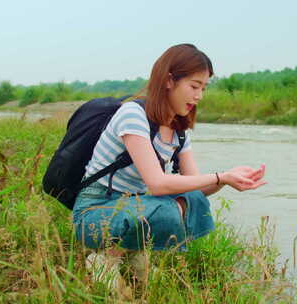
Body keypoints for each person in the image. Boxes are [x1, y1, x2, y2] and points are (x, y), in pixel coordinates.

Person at [72, 43, 267, 292]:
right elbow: (157, 184)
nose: (199, 96)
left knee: (194, 200)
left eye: (203, 88)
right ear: (168, 80)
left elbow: (196, 188)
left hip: (134, 207)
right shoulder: (133, 115)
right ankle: (105, 257)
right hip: (95, 211)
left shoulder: (179, 131)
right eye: (194, 86)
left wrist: (227, 179)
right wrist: (221, 175)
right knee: (166, 206)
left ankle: (129, 250)